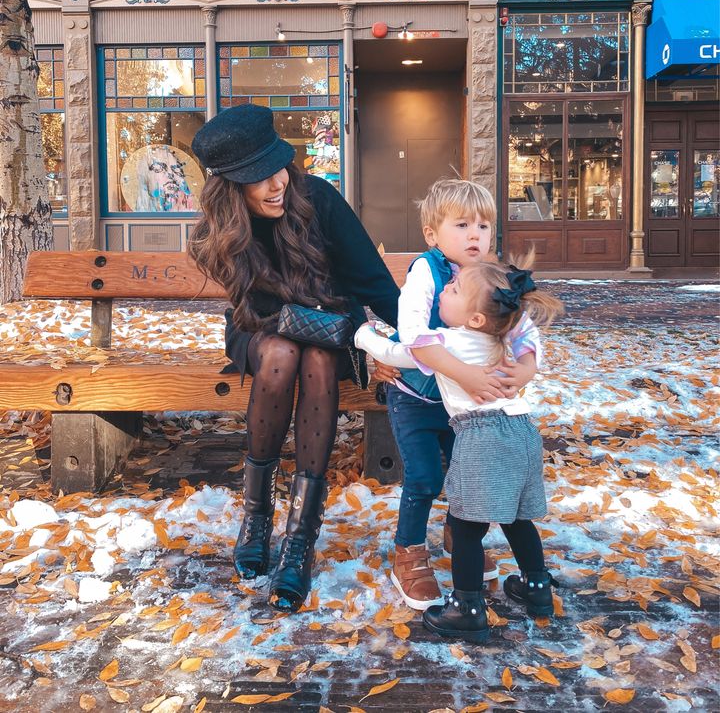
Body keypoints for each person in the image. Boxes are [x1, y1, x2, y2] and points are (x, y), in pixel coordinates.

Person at [188, 105, 400, 613]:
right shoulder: (223, 230)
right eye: (259, 178)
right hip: (262, 331)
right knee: (284, 353)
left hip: (333, 330)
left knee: (319, 361)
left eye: (278, 167)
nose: (277, 183)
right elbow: (257, 311)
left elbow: (374, 282)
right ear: (231, 188)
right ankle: (257, 516)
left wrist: (413, 348)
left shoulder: (318, 200)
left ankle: (301, 537)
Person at [356, 257, 563, 643]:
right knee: (517, 519)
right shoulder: (505, 340)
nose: (443, 292)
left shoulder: (446, 342)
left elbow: (396, 354)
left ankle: (467, 608)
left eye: (452, 291)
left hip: (481, 437)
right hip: (522, 432)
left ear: (476, 318)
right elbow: (530, 337)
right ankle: (537, 588)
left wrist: (364, 336)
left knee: (467, 529)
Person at [363, 179, 541, 611]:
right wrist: (467, 375)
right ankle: (408, 552)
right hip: (417, 397)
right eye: (462, 225)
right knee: (424, 478)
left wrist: (526, 368)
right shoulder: (427, 271)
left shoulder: (491, 276)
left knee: (464, 479)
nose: (475, 235)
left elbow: (525, 329)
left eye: (483, 225)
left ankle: (459, 538)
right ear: (432, 235)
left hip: (465, 409)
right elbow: (413, 336)